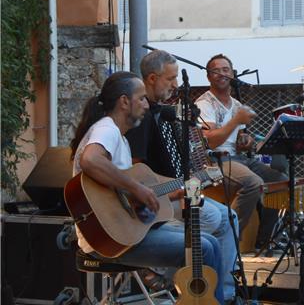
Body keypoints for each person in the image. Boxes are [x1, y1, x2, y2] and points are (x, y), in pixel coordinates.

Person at [69, 71, 224, 303]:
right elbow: (90, 160)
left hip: (127, 231)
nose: (145, 104)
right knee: (205, 248)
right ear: (124, 102)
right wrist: (136, 189)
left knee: (210, 243)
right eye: (141, 98)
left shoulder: (120, 137)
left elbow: (134, 193)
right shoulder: (107, 129)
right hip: (110, 240)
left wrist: (177, 190)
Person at [125, 50, 240, 304]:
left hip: (176, 191)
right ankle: (181, 278)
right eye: (171, 78)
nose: (176, 85)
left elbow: (181, 166)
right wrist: (177, 191)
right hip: (159, 200)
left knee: (229, 216)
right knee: (218, 223)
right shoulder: (142, 117)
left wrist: (195, 181)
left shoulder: (162, 113)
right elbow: (135, 171)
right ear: (152, 78)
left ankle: (221, 293)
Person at [195, 54, 288, 235]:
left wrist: (246, 142)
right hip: (214, 161)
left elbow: (239, 143)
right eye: (216, 71)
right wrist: (236, 120)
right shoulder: (204, 104)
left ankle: (265, 237)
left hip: (238, 159)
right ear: (208, 77)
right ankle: (229, 237)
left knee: (281, 180)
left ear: (233, 74)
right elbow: (210, 142)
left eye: (225, 70)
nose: (221, 74)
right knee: (253, 182)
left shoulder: (237, 104)